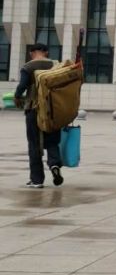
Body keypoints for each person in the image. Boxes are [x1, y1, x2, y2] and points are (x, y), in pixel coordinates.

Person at [14, 42, 64, 188]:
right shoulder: (56, 65)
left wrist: (17, 96)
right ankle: (54, 165)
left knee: (34, 143)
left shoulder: (28, 67)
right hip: (53, 110)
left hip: (34, 109)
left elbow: (22, 85)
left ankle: (37, 180)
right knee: (52, 141)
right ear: (46, 52)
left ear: (32, 53)